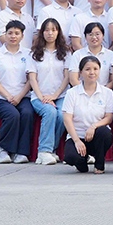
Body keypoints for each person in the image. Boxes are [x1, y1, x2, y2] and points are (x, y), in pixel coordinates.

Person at [0, 19, 34, 164]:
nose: (13, 36)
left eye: (17, 33)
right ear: (5, 34)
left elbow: (31, 79)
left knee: (27, 113)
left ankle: (22, 152)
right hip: (1, 97)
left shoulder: (28, 54)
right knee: (12, 115)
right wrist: (8, 96)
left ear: (22, 36)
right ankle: (2, 150)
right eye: (10, 33)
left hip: (23, 96)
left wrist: (19, 96)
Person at [60, 56, 113, 173]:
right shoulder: (72, 93)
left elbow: (109, 117)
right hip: (78, 136)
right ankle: (82, 162)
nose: (92, 72)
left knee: (104, 133)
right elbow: (67, 119)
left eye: (95, 69)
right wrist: (76, 141)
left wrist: (93, 126)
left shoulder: (107, 93)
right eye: (87, 69)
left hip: (96, 136)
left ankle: (99, 165)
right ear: (80, 72)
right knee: (71, 157)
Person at [27, 18, 71, 166]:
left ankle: (52, 150)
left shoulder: (66, 53)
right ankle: (43, 151)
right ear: (42, 33)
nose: (50, 33)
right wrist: (42, 97)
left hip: (61, 95)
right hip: (39, 96)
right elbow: (32, 78)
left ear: (58, 32)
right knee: (50, 112)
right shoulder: (34, 54)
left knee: (62, 115)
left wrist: (55, 95)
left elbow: (67, 77)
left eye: (53, 30)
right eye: (46, 30)